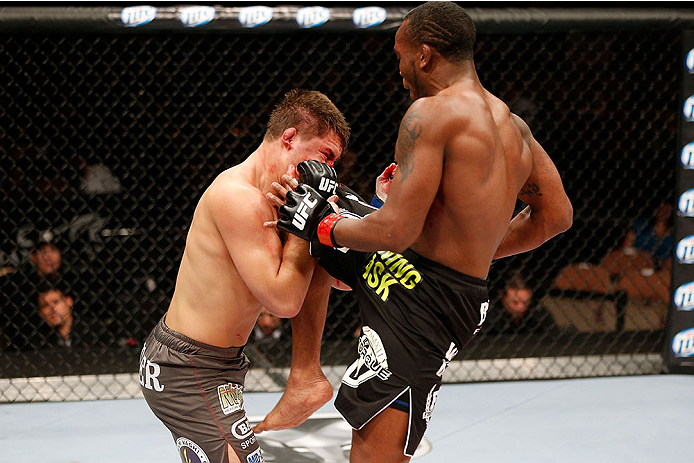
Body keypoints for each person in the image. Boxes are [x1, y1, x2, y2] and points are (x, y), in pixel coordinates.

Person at [275, 3, 573, 461]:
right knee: (313, 193)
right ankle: (304, 375)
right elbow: (555, 217)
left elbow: (394, 232)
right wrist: (470, 249)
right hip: (432, 277)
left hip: (422, 299)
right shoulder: (515, 129)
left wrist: (329, 227)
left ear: (425, 56)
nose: (398, 68)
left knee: (376, 453)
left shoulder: (428, 115)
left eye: (400, 54)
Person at [139, 89, 351, 463]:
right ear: (289, 139)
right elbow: (284, 301)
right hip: (185, 369)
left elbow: (340, 280)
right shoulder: (238, 197)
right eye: (325, 156)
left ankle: (306, 374)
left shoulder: (278, 199)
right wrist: (306, 226)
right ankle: (306, 374)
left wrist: (326, 225)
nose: (329, 171)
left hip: (220, 365)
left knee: (316, 246)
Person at [487, 274, 562, 335]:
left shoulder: (539, 314)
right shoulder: (490, 316)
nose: (521, 307)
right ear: (503, 298)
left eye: (525, 302)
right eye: (515, 302)